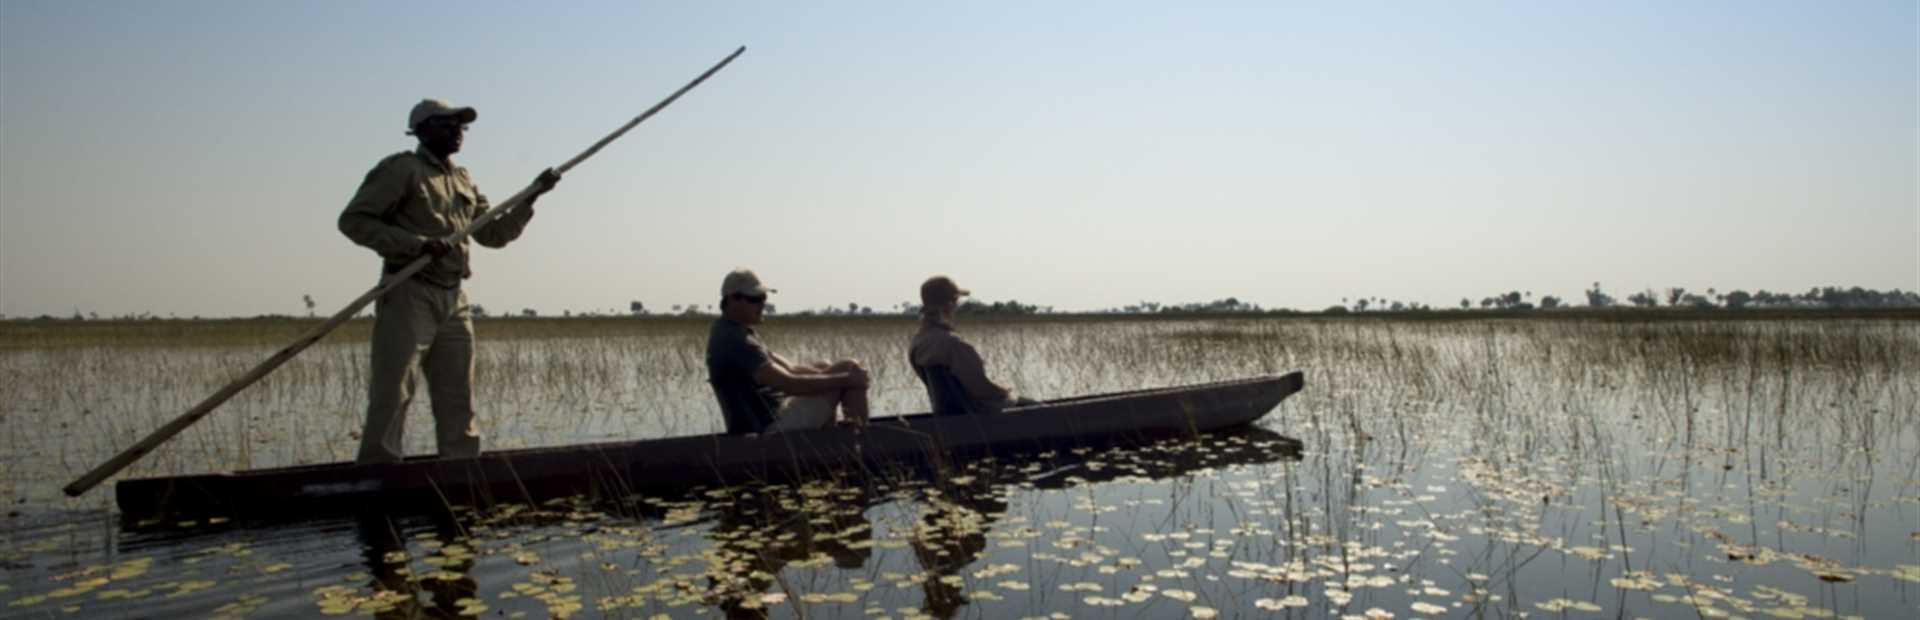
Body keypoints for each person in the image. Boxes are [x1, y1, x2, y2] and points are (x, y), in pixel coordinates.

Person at [339, 98, 560, 464]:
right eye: (447, 124)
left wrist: (531, 196)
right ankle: (379, 471)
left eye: (461, 126)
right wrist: (417, 246)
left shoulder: (463, 178)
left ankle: (460, 469)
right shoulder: (401, 169)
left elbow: (494, 234)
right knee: (394, 389)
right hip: (409, 291)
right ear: (423, 130)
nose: (457, 131)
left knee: (458, 392)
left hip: (454, 296)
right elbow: (354, 222)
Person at [705, 268, 871, 434]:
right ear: (733, 299)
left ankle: (834, 439)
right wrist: (848, 379)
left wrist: (834, 374)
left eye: (763, 297)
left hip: (775, 416)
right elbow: (790, 384)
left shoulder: (736, 331)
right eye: (755, 298)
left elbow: (791, 369)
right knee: (850, 369)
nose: (763, 303)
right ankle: (862, 445)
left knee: (826, 366)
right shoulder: (735, 341)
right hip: (767, 431)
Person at [909, 276, 1037, 415]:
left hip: (946, 417)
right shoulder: (952, 344)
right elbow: (981, 389)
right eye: (957, 301)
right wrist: (1005, 391)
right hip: (978, 415)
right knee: (1038, 407)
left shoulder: (918, 342)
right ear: (950, 304)